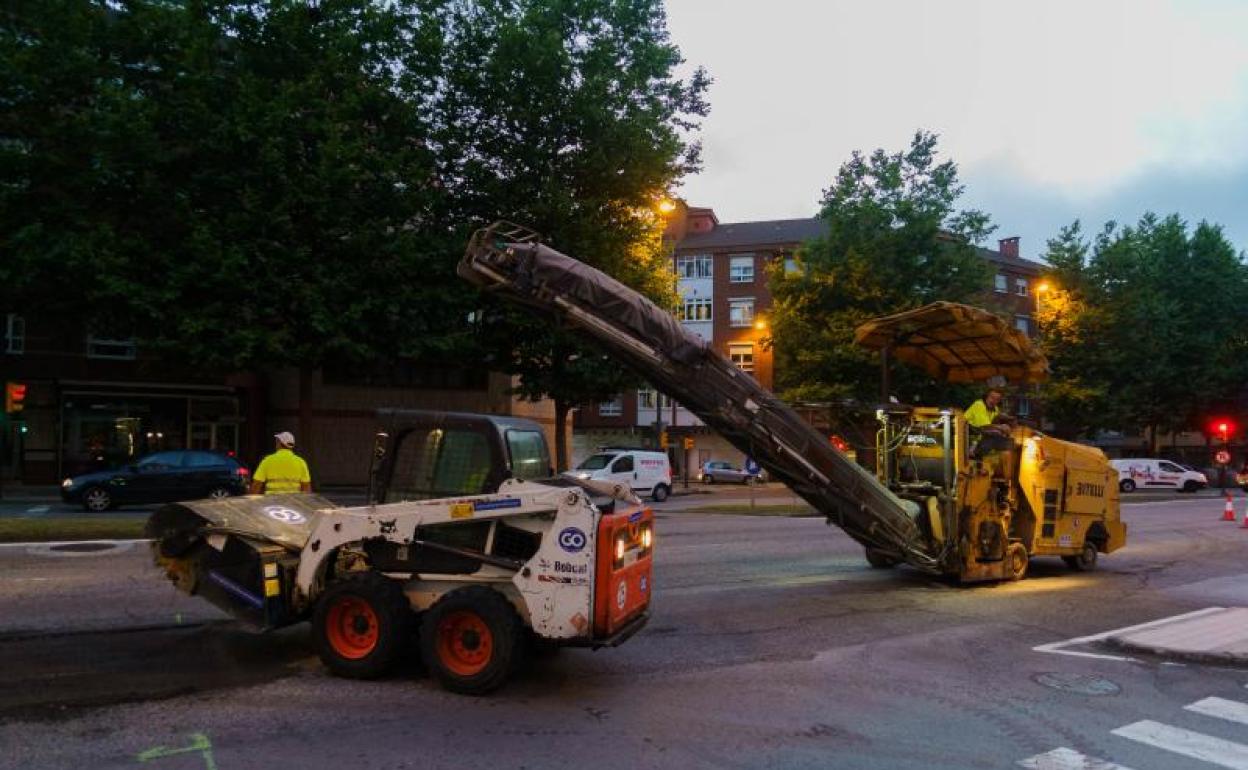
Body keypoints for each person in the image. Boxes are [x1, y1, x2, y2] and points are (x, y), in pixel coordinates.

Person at [966, 388, 1014, 457]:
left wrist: (1007, 420)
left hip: (979, 434)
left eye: (997, 399)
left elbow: (995, 421)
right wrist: (1001, 427)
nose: (994, 401)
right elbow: (985, 425)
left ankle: (1003, 458)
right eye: (992, 397)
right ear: (986, 397)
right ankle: (974, 453)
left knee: (1007, 439)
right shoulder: (979, 405)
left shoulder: (995, 408)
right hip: (967, 433)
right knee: (996, 434)